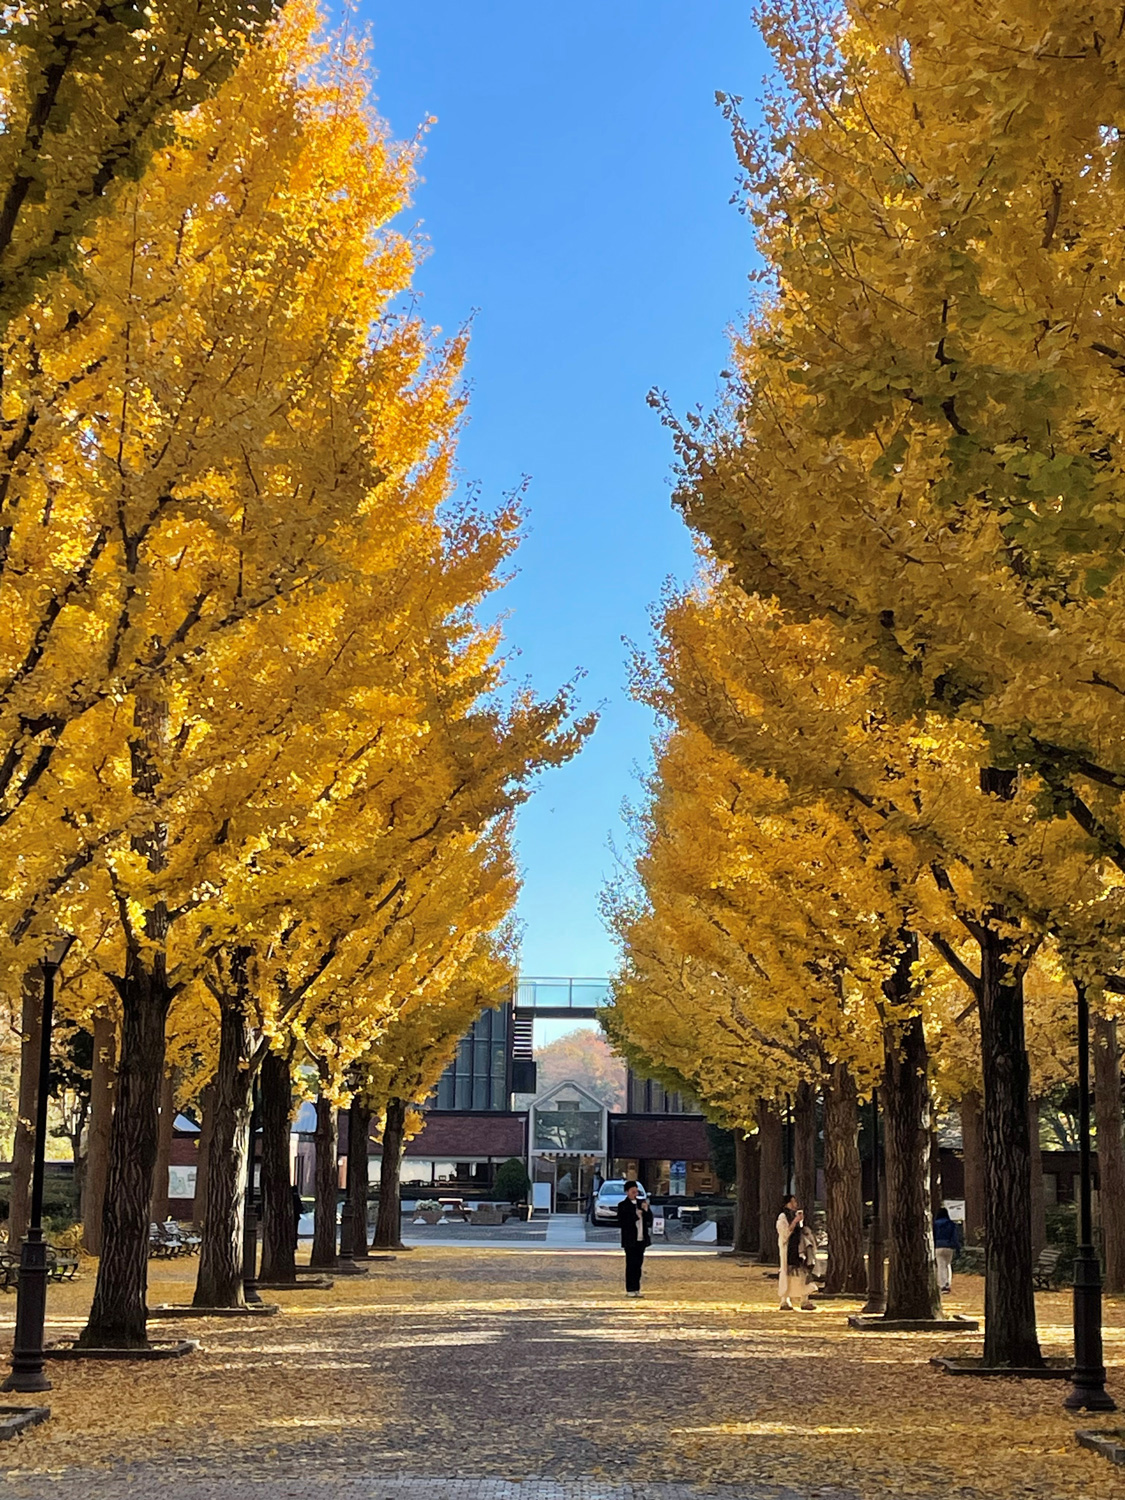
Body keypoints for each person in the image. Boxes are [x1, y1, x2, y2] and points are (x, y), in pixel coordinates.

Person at [776, 1194, 818, 1310]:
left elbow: (799, 1231)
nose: (795, 1204)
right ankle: (784, 1301)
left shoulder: (793, 1215)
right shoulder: (783, 1217)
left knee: (803, 1274)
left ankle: (805, 1300)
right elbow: (785, 1234)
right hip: (788, 1250)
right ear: (788, 1203)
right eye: (793, 1202)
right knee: (787, 1273)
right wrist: (795, 1221)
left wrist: (800, 1222)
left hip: (799, 1250)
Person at [615, 1180, 653, 1297]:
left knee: (638, 1264)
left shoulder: (642, 1203)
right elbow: (622, 1221)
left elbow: (649, 1220)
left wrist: (646, 1211)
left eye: (636, 1192)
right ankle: (630, 1289)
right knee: (630, 1264)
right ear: (627, 1192)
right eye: (632, 1192)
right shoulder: (623, 1205)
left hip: (641, 1238)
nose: (635, 1194)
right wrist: (635, 1216)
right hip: (630, 1239)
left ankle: (637, 1288)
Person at [933, 1206, 962, 1294]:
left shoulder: (935, 1224)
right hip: (949, 1247)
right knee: (948, 1265)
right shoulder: (951, 1224)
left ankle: (942, 1285)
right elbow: (955, 1237)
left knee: (940, 1266)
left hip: (938, 1246)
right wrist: (957, 1248)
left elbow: (933, 1236)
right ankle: (947, 1284)